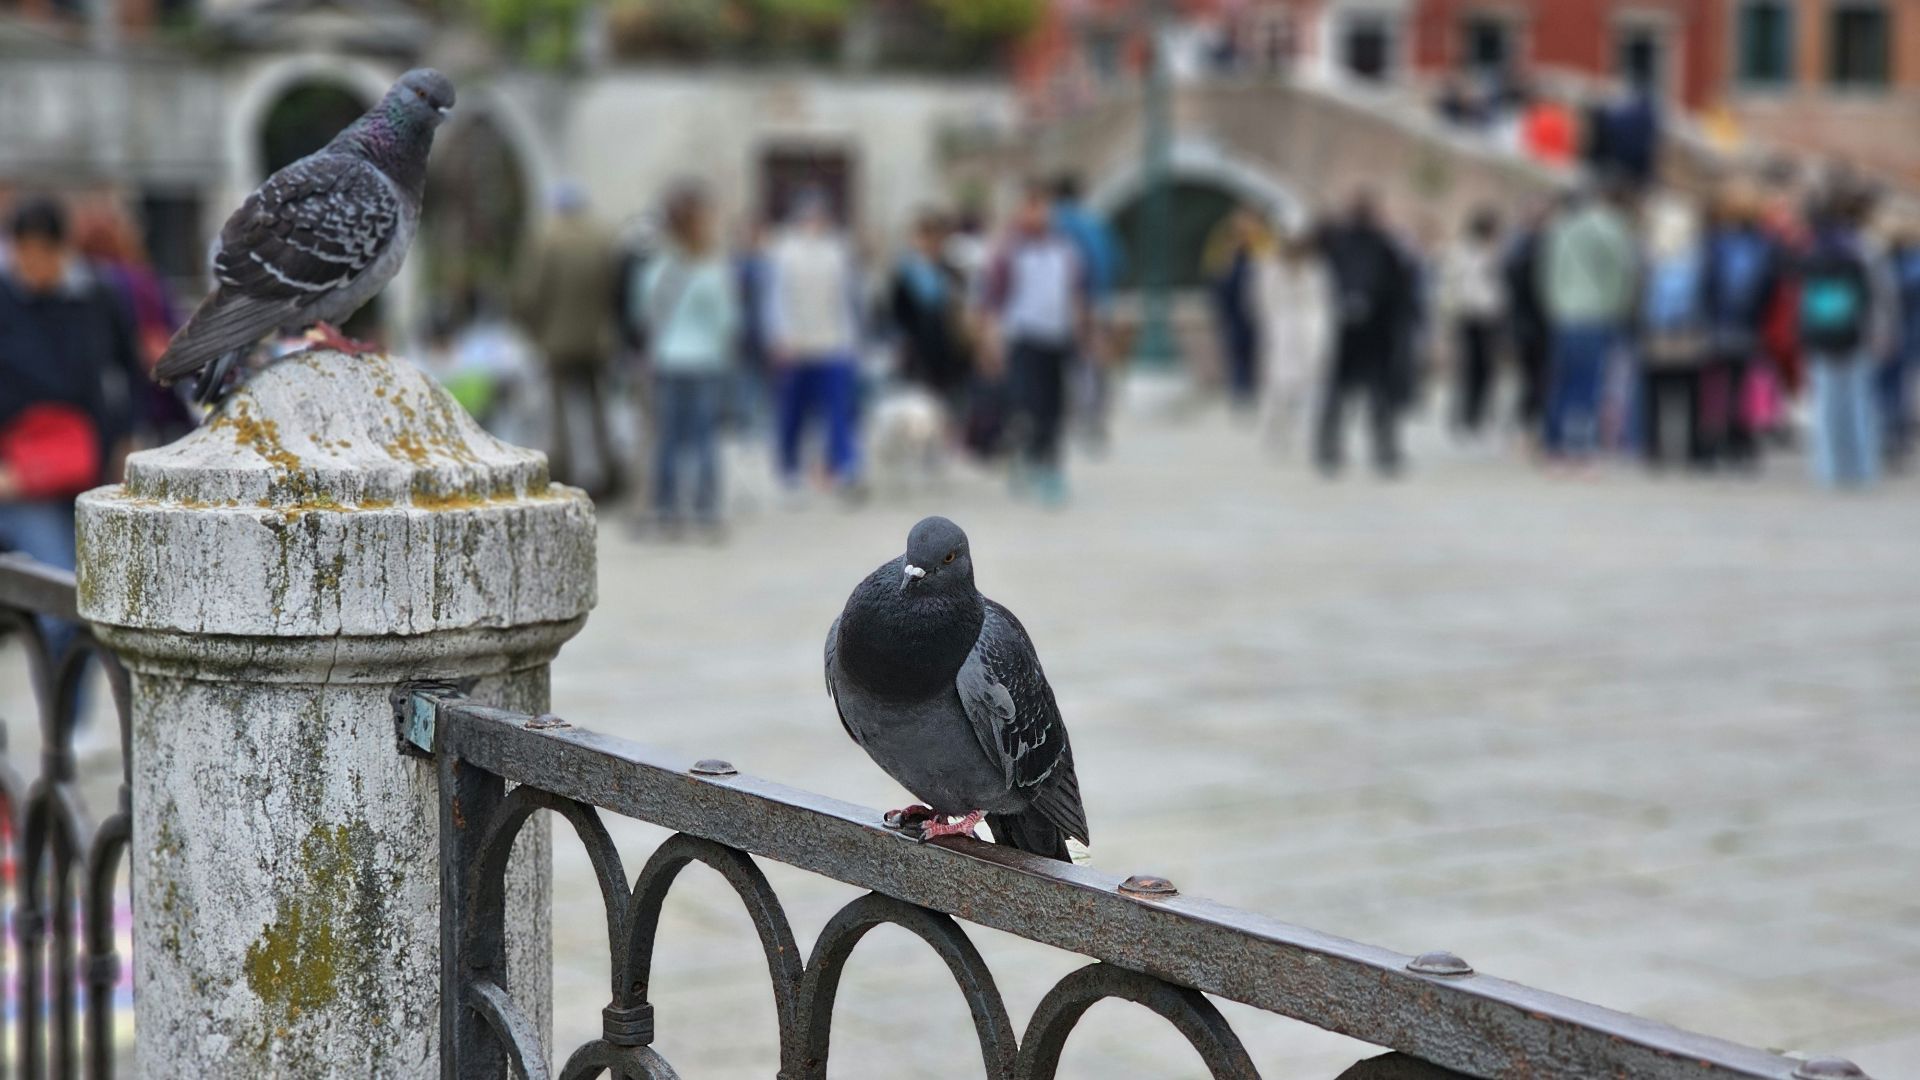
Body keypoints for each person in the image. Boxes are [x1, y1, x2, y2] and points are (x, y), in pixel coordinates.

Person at [0, 197, 146, 652]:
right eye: (25, 252)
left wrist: (126, 443)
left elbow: (129, 372)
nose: (34, 265)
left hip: (88, 468)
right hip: (20, 476)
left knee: (88, 598)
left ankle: (73, 720)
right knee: (58, 589)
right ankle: (61, 716)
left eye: (43, 252)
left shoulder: (98, 295)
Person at [635, 183, 738, 538]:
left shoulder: (658, 266)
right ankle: (705, 509)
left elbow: (642, 311)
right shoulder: (711, 269)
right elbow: (727, 318)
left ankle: (665, 509)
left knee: (667, 438)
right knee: (705, 438)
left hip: (667, 360)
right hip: (705, 361)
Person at [982, 182, 1088, 505]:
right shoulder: (1010, 252)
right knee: (1028, 405)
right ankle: (1027, 458)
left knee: (1054, 407)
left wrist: (1084, 332)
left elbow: (1076, 293)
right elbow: (993, 300)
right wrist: (990, 341)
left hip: (1057, 337)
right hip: (1024, 337)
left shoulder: (1065, 249)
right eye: (1032, 207)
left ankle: (1049, 466)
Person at [515, 183, 622, 497]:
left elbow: (531, 289)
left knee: (560, 410)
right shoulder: (602, 237)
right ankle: (608, 470)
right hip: (597, 336)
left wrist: (531, 325)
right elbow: (615, 287)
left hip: (557, 338)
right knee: (599, 407)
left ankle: (565, 470)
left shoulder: (547, 239)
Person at [764, 188, 864, 500]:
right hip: (797, 345)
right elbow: (776, 299)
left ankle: (844, 466)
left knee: (838, 409)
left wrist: (851, 339)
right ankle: (789, 467)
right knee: (793, 411)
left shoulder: (837, 250)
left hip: (832, 343)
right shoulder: (783, 250)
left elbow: (847, 299)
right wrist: (780, 336)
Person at [1539, 179, 1638, 463]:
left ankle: (1554, 442)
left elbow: (1546, 273)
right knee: (1590, 383)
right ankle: (1581, 444)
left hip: (1564, 313)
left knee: (1562, 380)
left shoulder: (1560, 229)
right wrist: (1619, 308)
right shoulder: (1610, 227)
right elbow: (1622, 273)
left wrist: (1554, 304)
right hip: (1596, 313)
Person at [1315, 190, 1411, 476]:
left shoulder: (1341, 243)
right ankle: (1377, 450)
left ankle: (1335, 448)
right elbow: (1401, 288)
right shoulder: (1378, 244)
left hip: (1354, 331)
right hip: (1368, 333)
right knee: (1370, 393)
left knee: (1345, 392)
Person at [1698, 185, 1784, 469]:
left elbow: (1706, 283)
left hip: (1717, 323)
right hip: (1750, 324)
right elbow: (1771, 286)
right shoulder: (1764, 243)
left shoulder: (1713, 241)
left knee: (1714, 384)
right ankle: (1742, 443)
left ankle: (1711, 442)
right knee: (1745, 383)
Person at [1798, 194, 1879, 488]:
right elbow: (1869, 300)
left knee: (1825, 406)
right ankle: (1863, 468)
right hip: (1853, 336)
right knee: (1859, 404)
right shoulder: (1859, 257)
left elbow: (1804, 303)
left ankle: (1829, 469)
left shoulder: (1813, 257)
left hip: (1821, 337)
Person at [1636, 194, 1710, 468]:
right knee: (1689, 395)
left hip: (1657, 332)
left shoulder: (1650, 257)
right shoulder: (1696, 258)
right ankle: (1690, 449)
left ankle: (1654, 448)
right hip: (1688, 332)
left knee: (1655, 394)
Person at [1050, 176, 1121, 448]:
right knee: (1094, 362)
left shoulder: (1059, 223)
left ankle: (1077, 418)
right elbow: (1117, 260)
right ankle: (1094, 417)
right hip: (1100, 300)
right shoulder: (1095, 222)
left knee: (1071, 362)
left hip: (1072, 304)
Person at [1252, 222, 1332, 453]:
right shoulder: (1271, 270)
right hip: (1281, 331)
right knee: (1277, 387)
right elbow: (1263, 303)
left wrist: (1319, 337)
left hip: (1308, 332)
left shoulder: (1315, 270)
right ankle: (1274, 433)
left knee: (1310, 387)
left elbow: (1321, 305)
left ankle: (1309, 435)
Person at [889, 210, 972, 417]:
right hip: (918, 351)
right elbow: (897, 313)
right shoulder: (906, 274)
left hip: (949, 350)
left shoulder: (951, 271)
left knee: (950, 406)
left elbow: (961, 307)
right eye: (925, 236)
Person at [1439, 206, 1506, 438]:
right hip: (1467, 315)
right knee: (1466, 368)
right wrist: (1449, 315)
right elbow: (1451, 285)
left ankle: (1479, 415)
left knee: (1486, 369)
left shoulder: (1496, 252)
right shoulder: (1461, 252)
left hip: (1489, 317)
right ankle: (1462, 415)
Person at [1502, 200, 1555, 439]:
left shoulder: (1517, 247)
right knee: (1535, 377)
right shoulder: (1535, 248)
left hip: (1526, 322)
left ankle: (1527, 425)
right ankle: (1528, 426)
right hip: (1535, 322)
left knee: (1532, 377)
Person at [1206, 210, 1264, 411]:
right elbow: (1216, 280)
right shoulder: (1224, 248)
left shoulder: (1262, 247)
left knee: (1255, 353)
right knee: (1236, 352)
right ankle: (1240, 393)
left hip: (1256, 311)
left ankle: (1252, 391)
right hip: (1233, 312)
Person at [1883, 227, 1920, 470]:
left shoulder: (1907, 262)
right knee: (1893, 385)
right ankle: (1893, 433)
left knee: (1895, 386)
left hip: (1903, 330)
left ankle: (1896, 433)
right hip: (1898, 329)